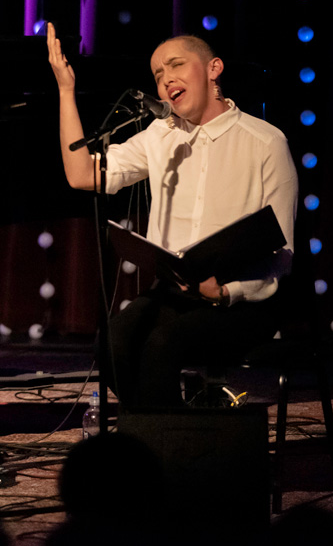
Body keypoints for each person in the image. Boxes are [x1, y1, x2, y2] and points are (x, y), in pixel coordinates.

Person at [46, 22, 298, 408]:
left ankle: (166, 442)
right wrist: (66, 90)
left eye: (176, 66)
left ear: (213, 68)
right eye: (158, 74)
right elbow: (83, 174)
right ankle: (168, 434)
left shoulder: (265, 141)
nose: (165, 80)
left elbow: (281, 251)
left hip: (243, 301)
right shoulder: (159, 135)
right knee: (112, 342)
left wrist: (230, 290)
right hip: (177, 294)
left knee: (162, 344)